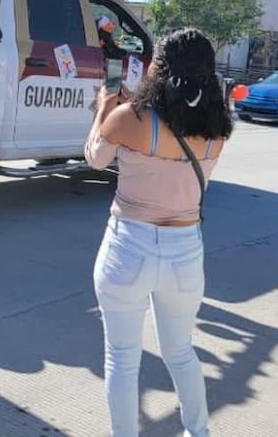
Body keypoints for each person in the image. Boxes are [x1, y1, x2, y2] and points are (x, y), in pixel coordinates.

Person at [84, 28, 232, 437]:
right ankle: (198, 432)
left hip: (128, 247)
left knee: (122, 359)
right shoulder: (218, 128)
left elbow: (95, 159)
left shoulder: (131, 118)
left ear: (158, 68)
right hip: (185, 248)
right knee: (181, 352)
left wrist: (102, 109)